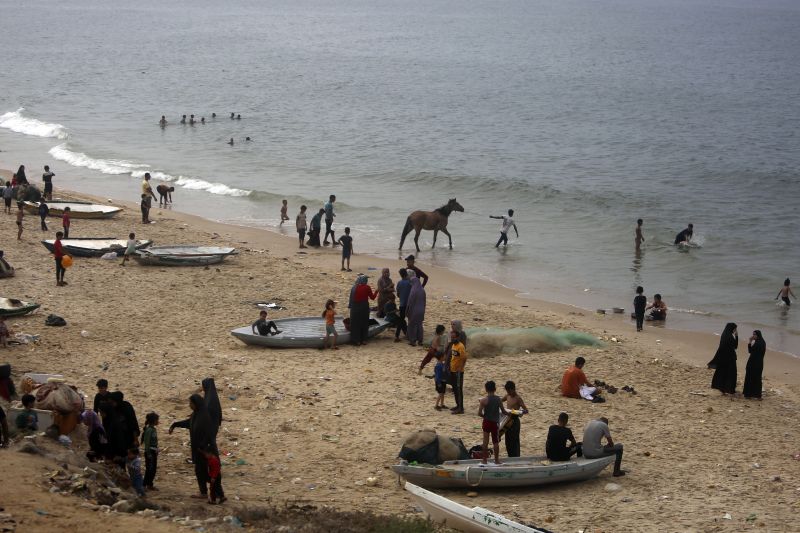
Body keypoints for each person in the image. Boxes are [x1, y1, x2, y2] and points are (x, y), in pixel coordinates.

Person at [169, 394, 218, 499]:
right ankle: (208, 492)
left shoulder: (203, 417)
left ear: (196, 404)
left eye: (191, 403)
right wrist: (175, 424)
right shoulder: (196, 415)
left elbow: (208, 434)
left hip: (203, 450)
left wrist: (202, 447)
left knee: (203, 472)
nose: (189, 405)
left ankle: (211, 492)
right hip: (198, 450)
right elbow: (188, 423)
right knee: (201, 471)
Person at [478, 381, 507, 464]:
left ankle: (484, 460)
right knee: (495, 442)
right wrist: (510, 413)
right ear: (495, 389)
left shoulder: (483, 400)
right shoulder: (498, 399)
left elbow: (479, 413)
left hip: (486, 422)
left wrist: (485, 416)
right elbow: (503, 411)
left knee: (485, 441)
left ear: (486, 389)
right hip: (495, 423)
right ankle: (497, 460)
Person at [709, 322, 738, 395]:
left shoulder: (724, 335)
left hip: (723, 358)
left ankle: (722, 389)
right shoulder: (730, 337)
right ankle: (729, 389)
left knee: (722, 373)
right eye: (735, 328)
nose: (735, 330)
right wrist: (736, 336)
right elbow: (735, 346)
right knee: (731, 374)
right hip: (730, 358)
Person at [502, 381, 528, 457]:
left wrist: (518, 412)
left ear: (513, 389)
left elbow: (526, 410)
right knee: (508, 440)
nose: (508, 392)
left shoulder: (518, 398)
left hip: (515, 421)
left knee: (514, 441)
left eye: (509, 391)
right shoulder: (507, 396)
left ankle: (516, 457)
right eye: (507, 391)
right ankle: (510, 456)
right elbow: (500, 401)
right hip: (507, 420)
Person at [349, 275, 376, 345]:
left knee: (355, 323)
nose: (367, 281)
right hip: (364, 307)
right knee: (364, 323)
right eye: (366, 280)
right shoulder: (367, 287)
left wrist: (351, 307)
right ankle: (364, 340)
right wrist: (377, 291)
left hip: (355, 307)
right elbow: (372, 297)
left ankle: (356, 340)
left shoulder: (354, 287)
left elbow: (351, 299)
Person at [449, 329, 467, 414]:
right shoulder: (453, 345)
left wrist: (461, 367)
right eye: (451, 337)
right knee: (455, 389)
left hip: (458, 372)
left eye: (454, 337)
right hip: (453, 370)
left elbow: (464, 358)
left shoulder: (461, 346)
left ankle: (461, 408)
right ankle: (457, 405)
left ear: (457, 337)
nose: (452, 339)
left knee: (459, 389)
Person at [743, 330, 766, 400]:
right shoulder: (761, 342)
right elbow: (751, 351)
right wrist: (750, 342)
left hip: (755, 363)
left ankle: (749, 394)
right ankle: (756, 395)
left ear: (758, 335)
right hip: (757, 363)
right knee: (756, 378)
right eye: (753, 334)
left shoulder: (758, 343)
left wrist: (750, 342)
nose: (753, 336)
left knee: (753, 378)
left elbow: (750, 351)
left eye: (755, 334)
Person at [406, 270, 427, 346]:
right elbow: (424, 302)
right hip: (421, 310)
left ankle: (413, 341)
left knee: (412, 325)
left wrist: (407, 311)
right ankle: (420, 340)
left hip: (414, 310)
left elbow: (410, 302)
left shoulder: (413, 290)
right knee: (419, 325)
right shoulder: (422, 290)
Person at [142, 412, 160, 490]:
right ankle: (145, 484)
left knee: (153, 469)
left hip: (153, 452)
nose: (158, 421)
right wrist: (148, 453)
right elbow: (147, 442)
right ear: (153, 420)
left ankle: (149, 484)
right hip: (150, 453)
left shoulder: (153, 429)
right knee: (150, 469)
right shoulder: (149, 430)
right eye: (157, 420)